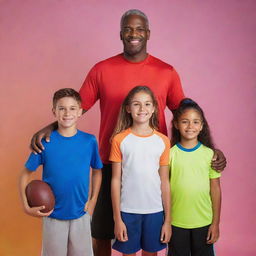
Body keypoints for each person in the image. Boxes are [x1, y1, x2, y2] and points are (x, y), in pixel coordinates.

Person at [30, 9, 226, 256]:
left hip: (154, 165)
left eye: (140, 28)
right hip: (109, 159)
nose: (134, 34)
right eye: (128, 29)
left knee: (150, 235)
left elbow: (186, 116)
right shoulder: (101, 69)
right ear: (120, 33)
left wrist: (211, 148)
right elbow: (76, 108)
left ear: (148, 33)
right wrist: (48, 127)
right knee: (102, 231)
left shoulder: (166, 72)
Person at [19, 88, 103, 256]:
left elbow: (97, 171)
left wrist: (92, 201)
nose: (67, 113)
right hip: (53, 215)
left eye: (72, 108)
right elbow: (24, 174)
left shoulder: (89, 141)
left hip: (81, 214)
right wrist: (26, 207)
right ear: (54, 111)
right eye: (61, 108)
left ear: (80, 111)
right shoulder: (45, 143)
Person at [110, 86, 171, 256]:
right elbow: (115, 180)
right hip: (127, 211)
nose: (142, 109)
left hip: (155, 211)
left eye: (147, 104)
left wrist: (167, 220)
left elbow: (165, 181)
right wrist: (117, 219)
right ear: (128, 108)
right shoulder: (120, 139)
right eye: (136, 104)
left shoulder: (163, 141)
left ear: (153, 109)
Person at [168, 98, 222, 256]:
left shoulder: (210, 155)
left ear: (202, 126)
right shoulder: (170, 154)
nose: (190, 126)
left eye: (195, 122)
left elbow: (216, 190)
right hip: (175, 222)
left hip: (204, 222)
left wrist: (216, 223)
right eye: (185, 121)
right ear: (177, 125)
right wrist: (166, 220)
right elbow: (163, 187)